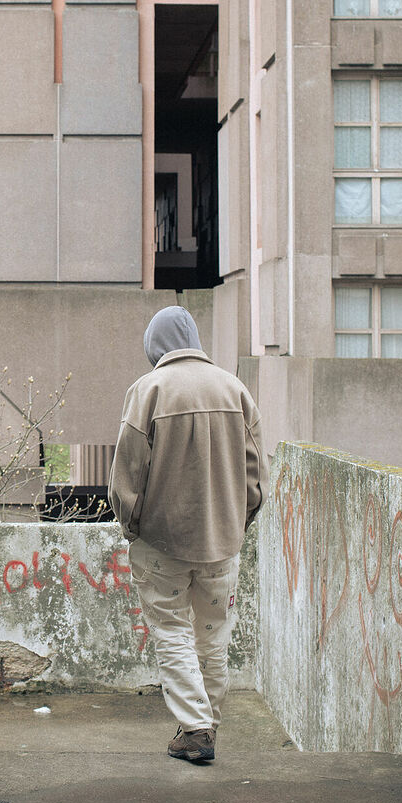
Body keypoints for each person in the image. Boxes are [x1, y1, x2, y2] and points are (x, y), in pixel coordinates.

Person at [107, 305, 262, 764]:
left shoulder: (149, 389)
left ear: (156, 346)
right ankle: (206, 725)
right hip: (223, 543)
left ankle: (194, 729)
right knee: (213, 636)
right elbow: (256, 478)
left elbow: (125, 476)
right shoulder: (235, 389)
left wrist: (133, 526)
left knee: (172, 631)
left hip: (161, 544)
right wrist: (237, 522)